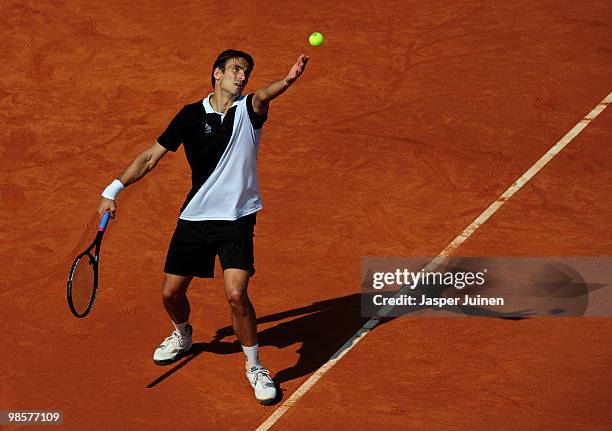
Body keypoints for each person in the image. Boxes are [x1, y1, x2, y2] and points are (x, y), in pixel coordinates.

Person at [97, 49, 309, 404]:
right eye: (235, 70)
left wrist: (286, 82)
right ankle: (183, 334)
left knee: (237, 294)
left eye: (246, 72)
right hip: (196, 217)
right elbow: (151, 156)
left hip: (237, 219)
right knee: (170, 294)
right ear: (217, 73)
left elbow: (263, 95)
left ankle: (255, 367)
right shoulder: (190, 116)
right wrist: (113, 189)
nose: (242, 76)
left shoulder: (249, 111)